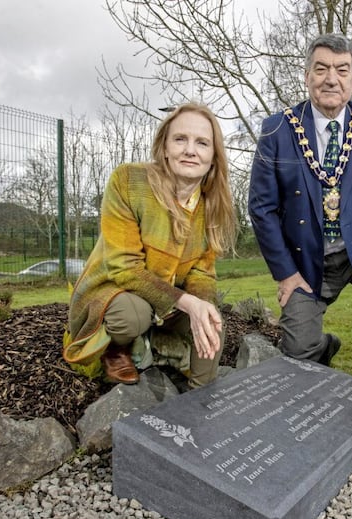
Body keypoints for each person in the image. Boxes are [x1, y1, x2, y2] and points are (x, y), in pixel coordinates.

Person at [248, 33, 352, 393]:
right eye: (321, 69)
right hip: (305, 260)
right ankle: (324, 346)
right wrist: (285, 274)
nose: (331, 78)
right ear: (307, 76)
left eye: (342, 70)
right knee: (298, 351)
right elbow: (261, 209)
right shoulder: (276, 129)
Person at [63, 103, 237, 390]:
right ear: (165, 147)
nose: (190, 150)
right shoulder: (128, 181)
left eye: (202, 143)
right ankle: (117, 348)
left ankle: (200, 398)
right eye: (180, 139)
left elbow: (202, 273)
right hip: (115, 292)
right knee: (133, 317)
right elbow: (125, 268)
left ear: (213, 157)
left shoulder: (211, 204)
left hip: (166, 301)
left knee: (212, 325)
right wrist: (188, 303)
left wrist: (202, 308)